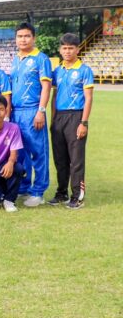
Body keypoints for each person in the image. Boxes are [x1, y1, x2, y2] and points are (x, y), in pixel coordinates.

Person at [49, 33, 94, 209]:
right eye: (64, 48)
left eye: (71, 48)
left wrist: (84, 122)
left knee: (76, 160)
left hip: (76, 116)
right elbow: (54, 96)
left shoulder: (84, 70)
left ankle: (77, 196)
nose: (67, 51)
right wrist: (53, 119)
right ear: (60, 50)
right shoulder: (57, 71)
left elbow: (88, 98)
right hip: (59, 117)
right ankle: (61, 193)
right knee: (60, 159)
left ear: (78, 49)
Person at [10, 22, 52, 207]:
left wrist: (41, 111)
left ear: (33, 38)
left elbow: (46, 86)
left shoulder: (41, 58)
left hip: (33, 110)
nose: (23, 39)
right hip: (15, 112)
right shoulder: (16, 59)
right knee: (20, 153)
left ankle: (38, 192)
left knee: (38, 153)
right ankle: (24, 187)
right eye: (19, 36)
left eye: (26, 36)